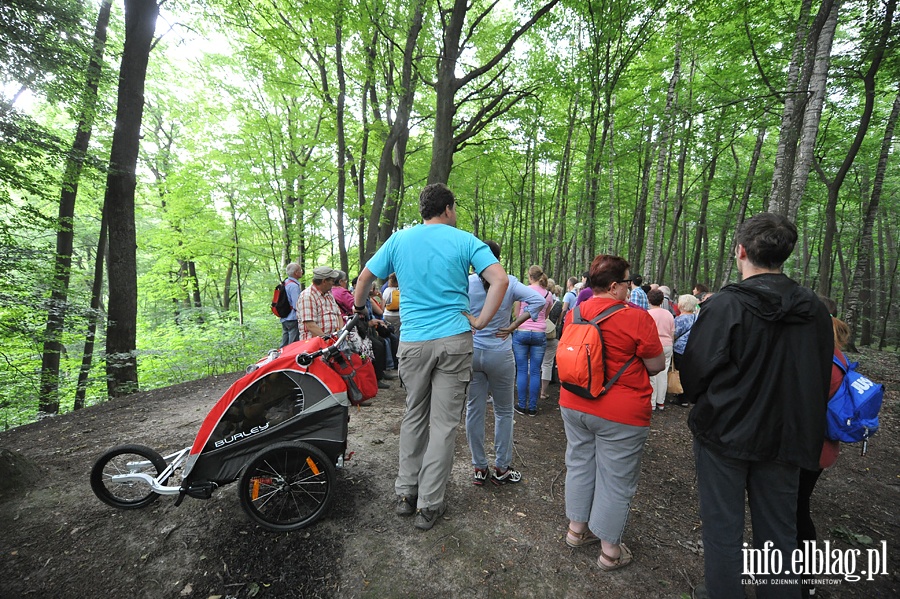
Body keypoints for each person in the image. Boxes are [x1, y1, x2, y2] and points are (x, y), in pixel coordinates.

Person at [681, 213, 833, 599]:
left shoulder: (726, 305)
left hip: (726, 433)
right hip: (787, 435)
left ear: (741, 251)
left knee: (723, 527)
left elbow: (695, 370)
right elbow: (818, 371)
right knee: (779, 533)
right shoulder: (815, 311)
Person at [352, 182, 509, 532]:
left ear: (424, 210)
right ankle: (429, 504)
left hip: (413, 342)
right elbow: (499, 280)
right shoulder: (466, 240)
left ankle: (406, 493)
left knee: (414, 416)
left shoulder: (399, 240)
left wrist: (361, 308)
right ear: (448, 208)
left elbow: (363, 280)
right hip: (454, 340)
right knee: (442, 425)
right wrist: (481, 321)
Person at [560, 254, 665, 572]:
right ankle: (609, 552)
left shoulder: (576, 312)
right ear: (615, 286)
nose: (631, 286)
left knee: (578, 464)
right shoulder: (637, 318)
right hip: (620, 413)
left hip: (574, 403)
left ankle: (575, 532)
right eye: (629, 281)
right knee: (616, 479)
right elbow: (657, 365)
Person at [466, 241, 545, 486]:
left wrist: (468, 321)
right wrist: (512, 326)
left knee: (474, 410)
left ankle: (479, 468)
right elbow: (539, 302)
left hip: (472, 350)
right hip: (500, 353)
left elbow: (450, 304)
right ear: (498, 258)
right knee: (503, 411)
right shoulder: (508, 281)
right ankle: (501, 467)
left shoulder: (466, 281)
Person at [797, 314, 847, 597]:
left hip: (807, 448)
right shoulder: (836, 356)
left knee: (796, 512)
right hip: (821, 448)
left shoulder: (820, 363)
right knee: (799, 508)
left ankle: (801, 581)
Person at [512, 265, 554, 416]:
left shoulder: (522, 291)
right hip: (539, 333)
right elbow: (546, 315)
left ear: (529, 277)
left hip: (522, 331)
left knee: (522, 370)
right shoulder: (548, 294)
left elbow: (517, 314)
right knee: (536, 371)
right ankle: (532, 408)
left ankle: (522, 405)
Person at [297, 266, 343, 340]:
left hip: (333, 342)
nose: (333, 283)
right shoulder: (307, 296)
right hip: (315, 344)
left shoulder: (329, 294)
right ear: (324, 281)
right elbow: (310, 325)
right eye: (332, 281)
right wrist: (327, 339)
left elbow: (338, 315)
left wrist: (341, 334)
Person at [647, 289, 674, 411]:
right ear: (662, 300)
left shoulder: (647, 314)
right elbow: (672, 332)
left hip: (654, 345)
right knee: (663, 374)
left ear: (648, 300)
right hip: (668, 345)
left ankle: (652, 402)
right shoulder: (668, 314)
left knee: (652, 374)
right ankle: (661, 402)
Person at [671, 294, 699, 407]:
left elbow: (674, 334)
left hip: (680, 349)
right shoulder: (697, 317)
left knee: (680, 373)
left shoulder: (679, 320)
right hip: (694, 348)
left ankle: (681, 397)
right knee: (690, 372)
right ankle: (688, 395)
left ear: (681, 305)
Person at [279, 262, 303, 347]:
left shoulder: (285, 282)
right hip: (292, 319)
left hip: (284, 317)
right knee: (293, 345)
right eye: (300, 270)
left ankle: (281, 358)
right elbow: (297, 304)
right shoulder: (293, 286)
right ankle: (291, 359)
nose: (302, 271)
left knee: (284, 344)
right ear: (296, 273)